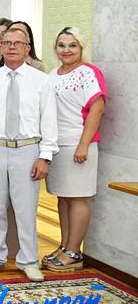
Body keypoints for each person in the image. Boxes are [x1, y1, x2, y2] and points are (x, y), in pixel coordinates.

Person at [0, 28, 57, 282]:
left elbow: (49, 121)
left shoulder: (41, 80)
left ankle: (28, 260)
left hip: (28, 149)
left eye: (17, 43)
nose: (11, 47)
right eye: (6, 43)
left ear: (27, 48)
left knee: (25, 207)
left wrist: (45, 156)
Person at [44, 27, 106, 272]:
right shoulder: (53, 74)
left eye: (72, 45)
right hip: (57, 145)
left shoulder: (88, 73)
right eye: (61, 45)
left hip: (79, 145)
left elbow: (97, 109)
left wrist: (83, 144)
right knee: (63, 197)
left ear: (81, 48)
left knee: (78, 198)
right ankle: (65, 246)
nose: (66, 50)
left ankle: (74, 252)